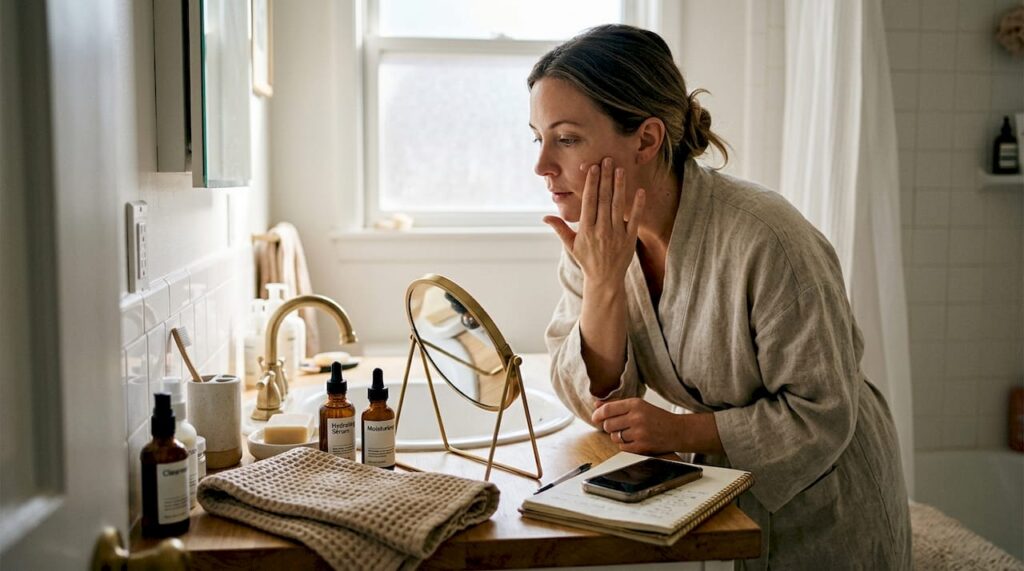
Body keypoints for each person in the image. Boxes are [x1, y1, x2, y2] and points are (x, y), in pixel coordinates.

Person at [531, 24, 911, 569]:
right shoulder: (596, 240)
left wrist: (682, 430)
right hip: (723, 486)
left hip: (827, 497)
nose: (542, 165)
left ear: (646, 139)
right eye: (537, 137)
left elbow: (822, 413)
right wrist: (603, 282)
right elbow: (590, 400)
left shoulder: (768, 238)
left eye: (566, 138)